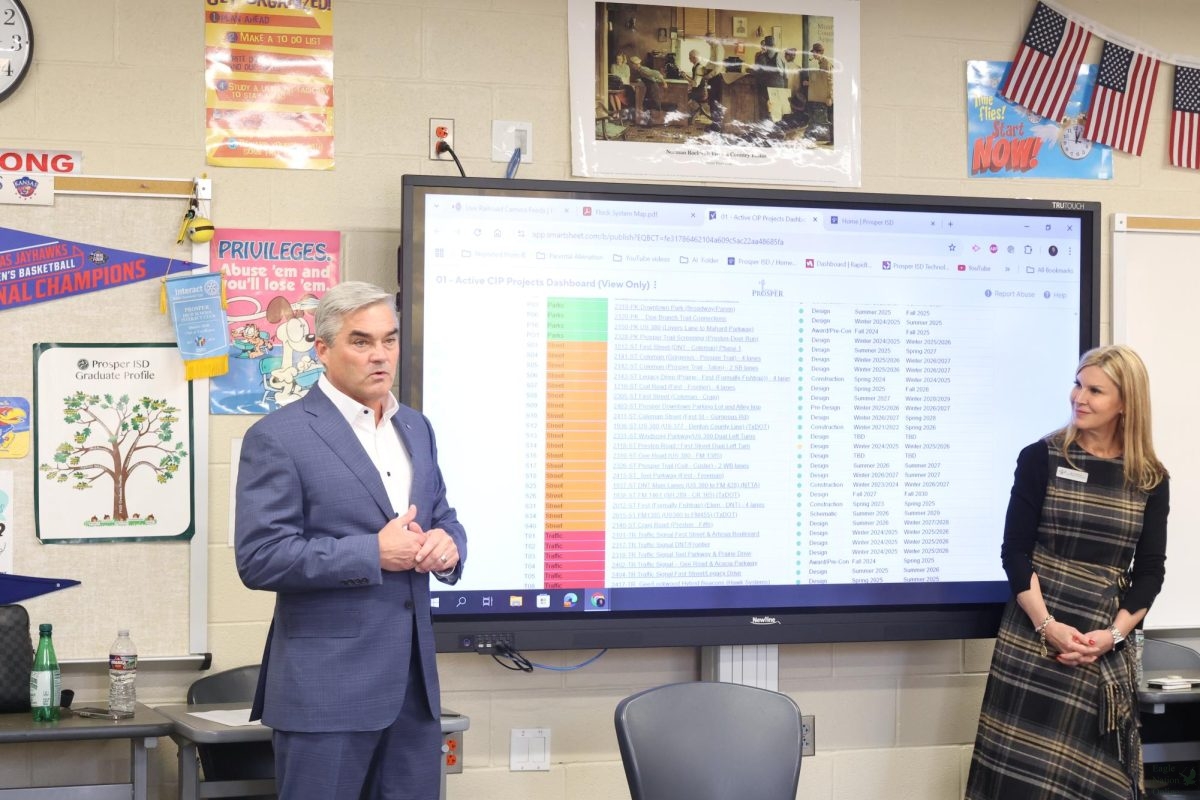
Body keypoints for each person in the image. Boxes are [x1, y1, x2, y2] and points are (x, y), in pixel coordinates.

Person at [235, 280, 467, 800]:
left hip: (414, 694)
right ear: (322, 350)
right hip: (327, 695)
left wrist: (447, 546)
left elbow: (444, 518)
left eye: (389, 340)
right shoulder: (278, 437)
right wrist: (372, 552)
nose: (380, 356)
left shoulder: (417, 428)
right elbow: (259, 559)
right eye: (361, 342)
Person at [965, 345, 1169, 800]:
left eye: (1095, 390)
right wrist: (1048, 626)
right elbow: (1015, 554)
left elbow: (1150, 574)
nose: (1079, 396)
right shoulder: (1041, 458)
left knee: (1100, 782)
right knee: (1018, 782)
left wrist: (1111, 637)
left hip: (1104, 647)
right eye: (1078, 383)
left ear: (1126, 403)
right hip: (1036, 641)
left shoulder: (1150, 478)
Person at [687, 47, 724, 131]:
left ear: (694, 57)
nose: (689, 59)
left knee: (685, 97)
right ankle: (696, 112)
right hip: (700, 90)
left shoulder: (699, 67)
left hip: (699, 91)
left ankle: (696, 111)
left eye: (690, 57)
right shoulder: (697, 66)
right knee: (712, 105)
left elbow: (696, 83)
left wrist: (685, 77)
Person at [628, 56, 667, 124]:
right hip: (649, 88)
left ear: (635, 64)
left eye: (632, 65)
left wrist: (664, 82)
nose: (632, 67)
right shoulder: (640, 70)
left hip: (653, 88)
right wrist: (640, 80)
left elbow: (656, 73)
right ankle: (650, 122)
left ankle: (657, 121)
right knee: (647, 104)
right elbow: (647, 77)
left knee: (653, 104)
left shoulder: (643, 69)